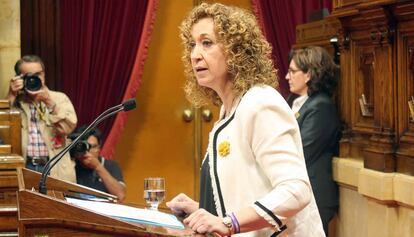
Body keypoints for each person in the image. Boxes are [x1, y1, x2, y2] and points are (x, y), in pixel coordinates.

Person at [166, 3, 325, 237]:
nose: (195, 55)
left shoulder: (260, 102)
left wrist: (228, 223)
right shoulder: (228, 112)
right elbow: (247, 191)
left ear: (235, 50)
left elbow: (296, 190)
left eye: (207, 43)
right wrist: (202, 211)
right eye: (192, 45)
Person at [285, 46, 341, 236]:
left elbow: (301, 151)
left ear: (308, 74)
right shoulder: (297, 102)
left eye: (292, 71)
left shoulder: (321, 106)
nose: (287, 76)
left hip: (314, 196)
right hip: (297, 194)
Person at [6, 55, 77, 182]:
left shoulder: (59, 98)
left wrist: (49, 102)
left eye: (38, 74)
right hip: (24, 167)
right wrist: (11, 95)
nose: (35, 78)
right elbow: (3, 132)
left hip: (55, 167)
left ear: (44, 75)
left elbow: (67, 129)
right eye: (29, 75)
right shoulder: (16, 101)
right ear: (19, 78)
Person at [71, 126, 126, 201]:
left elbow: (120, 195)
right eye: (84, 146)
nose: (88, 151)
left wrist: (97, 166)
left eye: (93, 147)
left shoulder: (111, 165)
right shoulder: (71, 164)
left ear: (99, 148)